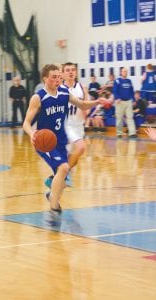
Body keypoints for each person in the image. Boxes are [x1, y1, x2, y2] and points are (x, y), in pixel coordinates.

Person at [23, 64, 106, 215]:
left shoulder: (64, 92)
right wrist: (32, 134)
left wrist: (97, 102)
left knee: (64, 176)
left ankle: (51, 195)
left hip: (61, 140)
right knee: (64, 168)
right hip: (45, 142)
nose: (57, 80)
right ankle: (54, 207)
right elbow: (26, 123)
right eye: (53, 77)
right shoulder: (38, 97)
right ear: (45, 79)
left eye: (59, 77)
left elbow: (81, 104)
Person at [113, 68, 137, 138]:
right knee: (119, 118)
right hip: (120, 102)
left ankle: (132, 133)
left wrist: (133, 100)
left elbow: (132, 91)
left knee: (130, 117)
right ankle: (119, 133)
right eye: (124, 71)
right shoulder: (117, 81)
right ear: (121, 72)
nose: (125, 72)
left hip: (128, 101)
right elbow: (114, 90)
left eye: (126, 71)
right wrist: (117, 98)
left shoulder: (129, 81)